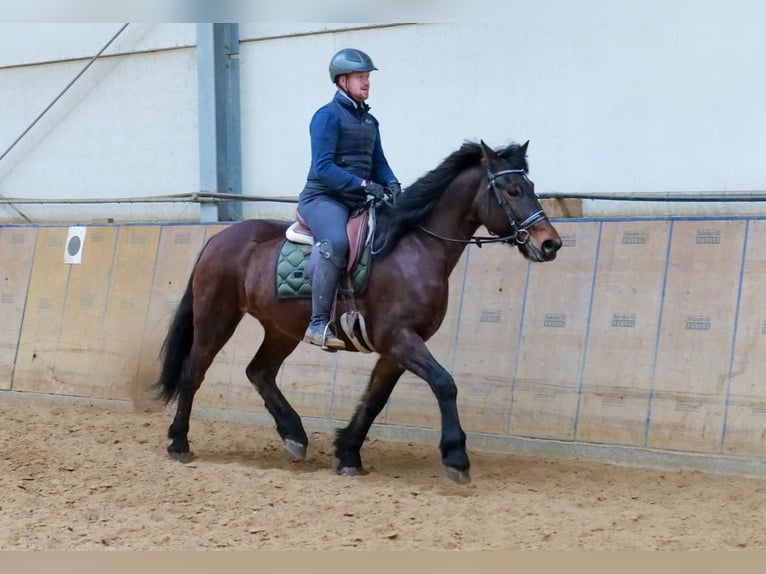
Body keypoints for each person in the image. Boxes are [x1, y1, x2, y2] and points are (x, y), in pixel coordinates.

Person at [297, 48, 402, 351]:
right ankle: (318, 324)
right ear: (342, 81)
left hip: (358, 198)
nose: (366, 82)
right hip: (324, 198)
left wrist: (391, 182)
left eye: (368, 77)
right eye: (360, 77)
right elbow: (324, 167)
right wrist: (364, 184)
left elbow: (378, 161)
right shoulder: (326, 116)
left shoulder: (370, 121)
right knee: (337, 242)